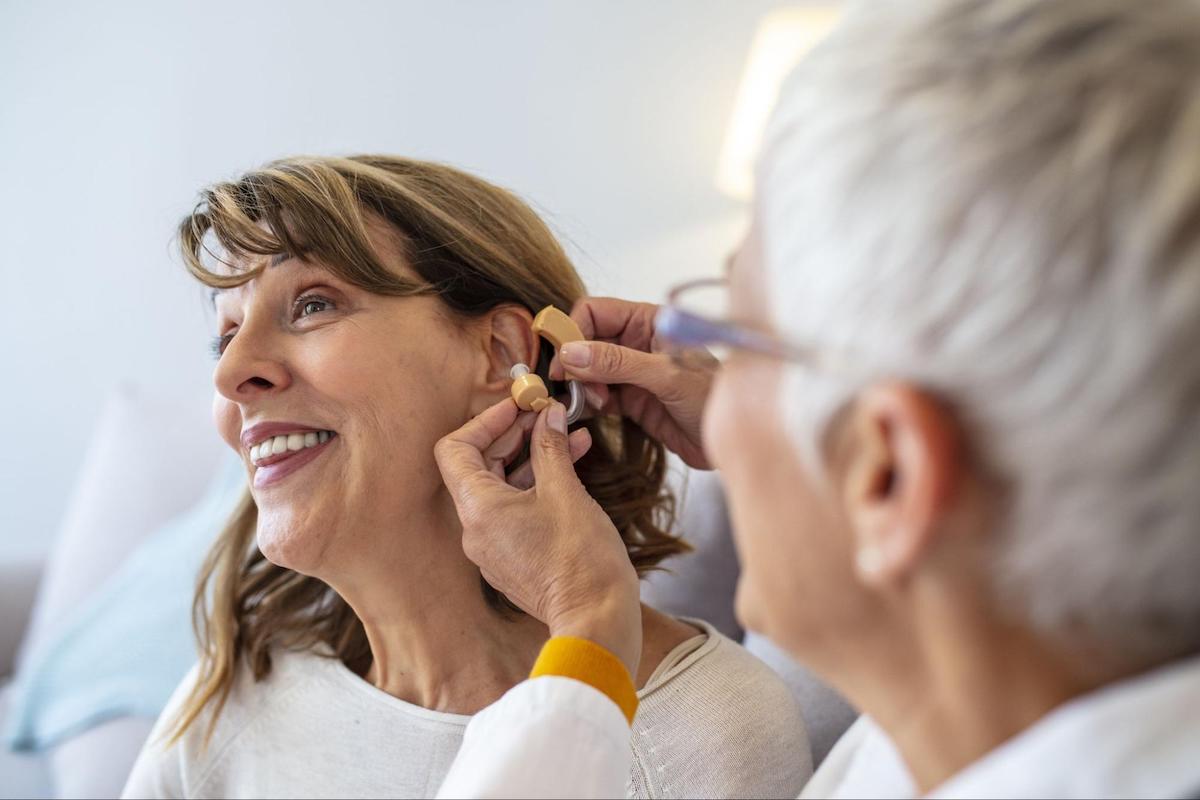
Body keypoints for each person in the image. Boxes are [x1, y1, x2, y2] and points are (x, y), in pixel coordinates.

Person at [432, 1, 1200, 797]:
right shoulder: (964, 719)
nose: (715, 392)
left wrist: (587, 621)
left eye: (742, 336)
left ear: (887, 475)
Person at [120, 155, 812, 799]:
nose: (230, 373)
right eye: (225, 334)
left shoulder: (706, 729)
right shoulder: (228, 702)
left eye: (312, 304)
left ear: (503, 354)